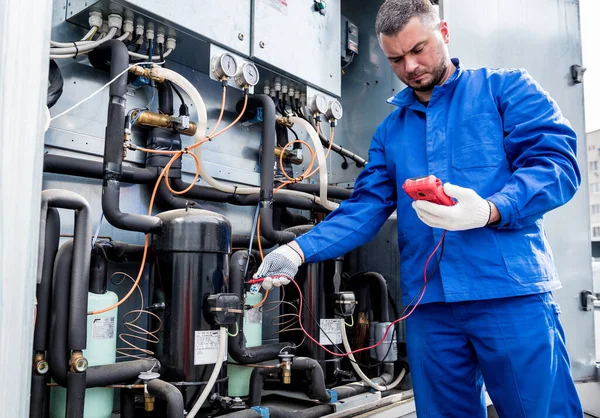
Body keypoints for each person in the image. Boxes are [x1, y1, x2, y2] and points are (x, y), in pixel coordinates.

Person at [254, 0, 584, 416]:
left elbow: (557, 165)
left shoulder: (505, 90)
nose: (409, 67)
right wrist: (298, 251)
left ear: (443, 33)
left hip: (508, 292)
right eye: (396, 59)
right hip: (431, 306)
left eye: (419, 50)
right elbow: (366, 206)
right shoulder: (391, 130)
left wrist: (491, 209)